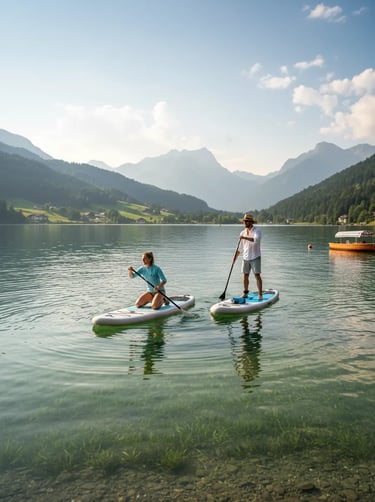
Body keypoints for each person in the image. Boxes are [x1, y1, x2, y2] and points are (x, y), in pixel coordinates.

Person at [233, 213, 263, 300]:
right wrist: (234, 258)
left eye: (246, 221)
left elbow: (256, 240)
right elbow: (239, 248)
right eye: (244, 221)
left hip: (255, 256)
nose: (244, 223)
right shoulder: (242, 233)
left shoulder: (257, 231)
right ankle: (245, 293)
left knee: (257, 275)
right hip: (245, 257)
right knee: (245, 275)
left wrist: (245, 237)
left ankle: (260, 294)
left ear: (250, 222)